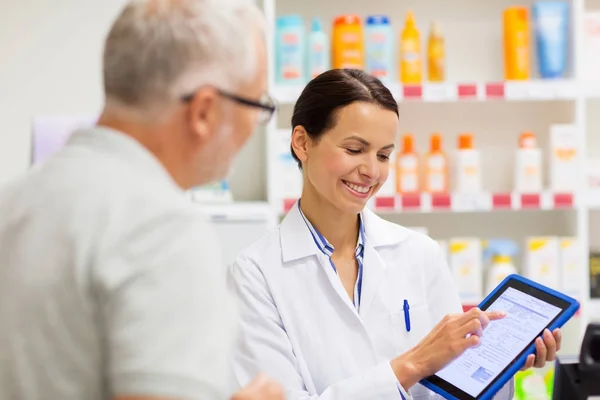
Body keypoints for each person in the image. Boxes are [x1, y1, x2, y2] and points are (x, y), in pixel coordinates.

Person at [0, 1, 284, 400]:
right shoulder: (163, 231)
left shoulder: (15, 200)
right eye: (257, 106)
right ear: (203, 111)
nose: (254, 127)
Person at [227, 68, 562, 399]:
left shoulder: (419, 253)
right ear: (302, 142)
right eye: (355, 150)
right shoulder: (255, 274)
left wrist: (497, 369)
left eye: (384, 155)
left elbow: (450, 390)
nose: (372, 171)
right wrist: (412, 365)